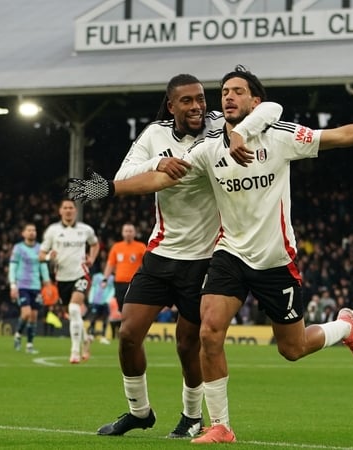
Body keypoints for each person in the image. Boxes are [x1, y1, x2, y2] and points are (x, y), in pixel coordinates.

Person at [68, 65, 353, 443]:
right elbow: (162, 178)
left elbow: (339, 136)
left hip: (275, 259)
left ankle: (344, 326)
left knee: (292, 349)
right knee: (209, 332)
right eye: (224, 91)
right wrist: (109, 189)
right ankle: (220, 426)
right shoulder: (209, 147)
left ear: (254, 100)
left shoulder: (280, 136)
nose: (226, 96)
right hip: (227, 253)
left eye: (237, 91)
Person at [95, 73, 283, 439]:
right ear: (171, 105)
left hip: (207, 256)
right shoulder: (154, 135)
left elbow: (272, 108)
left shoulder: (222, 124)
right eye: (187, 101)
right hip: (162, 251)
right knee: (129, 333)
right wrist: (157, 164)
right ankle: (139, 411)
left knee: (187, 342)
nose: (198, 106)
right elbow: (124, 175)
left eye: (201, 98)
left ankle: (192, 416)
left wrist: (243, 131)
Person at [39, 198, 99, 364]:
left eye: (71, 208)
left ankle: (74, 352)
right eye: (65, 208)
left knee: (74, 308)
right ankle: (86, 338)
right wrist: (49, 256)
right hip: (62, 279)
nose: (68, 210)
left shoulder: (85, 229)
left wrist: (92, 259)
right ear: (60, 211)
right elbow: (41, 254)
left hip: (81, 274)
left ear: (75, 210)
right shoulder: (52, 231)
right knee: (70, 313)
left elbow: (95, 244)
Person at [9, 223, 52, 354]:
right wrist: (13, 284)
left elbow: (43, 266)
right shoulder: (18, 248)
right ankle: (17, 335)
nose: (32, 232)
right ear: (23, 233)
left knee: (33, 316)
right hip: (22, 285)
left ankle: (29, 345)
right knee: (26, 313)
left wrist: (47, 282)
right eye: (29, 230)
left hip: (35, 286)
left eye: (33, 230)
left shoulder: (40, 248)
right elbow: (13, 266)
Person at [101, 222, 147, 344]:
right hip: (119, 283)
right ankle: (126, 332)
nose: (128, 233)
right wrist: (105, 279)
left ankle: (134, 331)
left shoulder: (141, 247)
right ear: (122, 233)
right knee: (122, 309)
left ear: (134, 233)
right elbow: (110, 264)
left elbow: (147, 263)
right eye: (126, 231)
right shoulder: (117, 247)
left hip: (134, 283)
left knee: (134, 307)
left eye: (130, 231)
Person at [88, 271, 115, 343]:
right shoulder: (97, 276)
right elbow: (93, 287)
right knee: (93, 317)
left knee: (105, 318)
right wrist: (91, 299)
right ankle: (91, 335)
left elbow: (112, 289)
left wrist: (108, 300)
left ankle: (103, 337)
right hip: (96, 301)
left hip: (105, 302)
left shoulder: (111, 278)